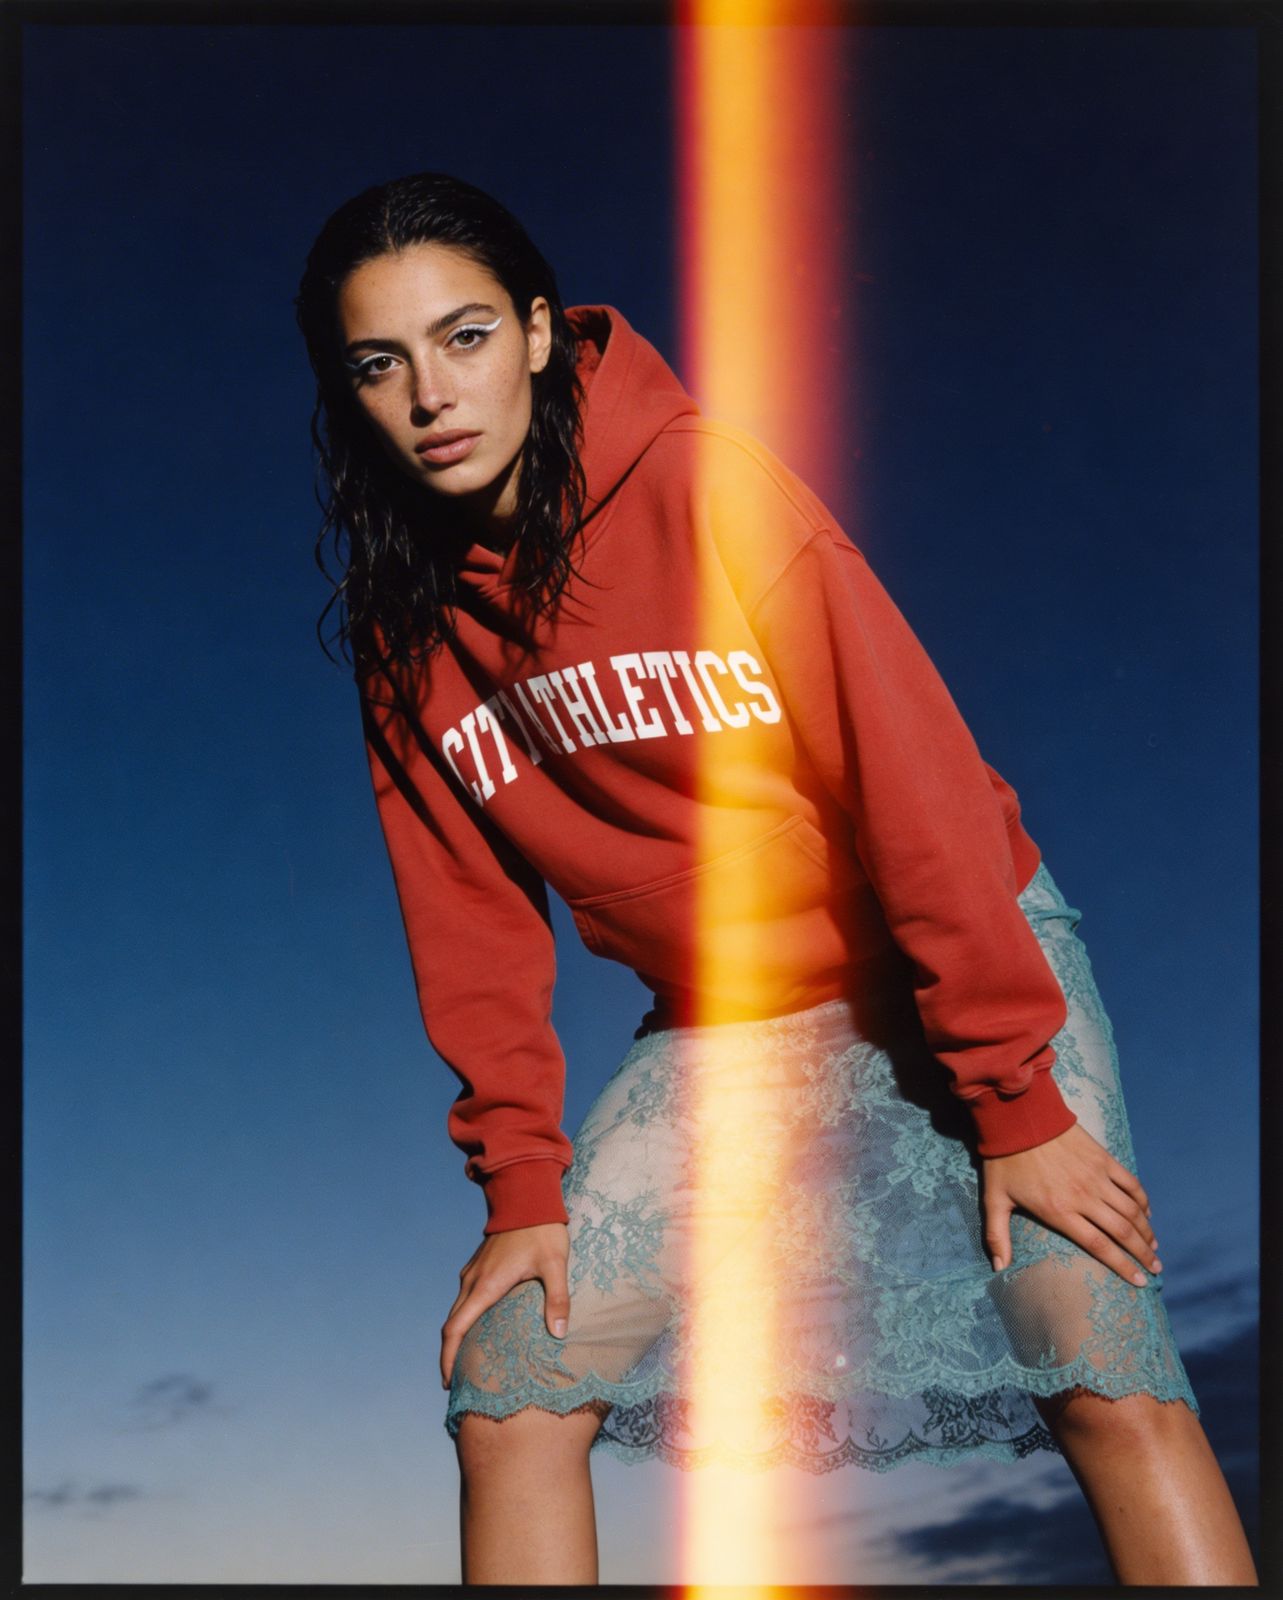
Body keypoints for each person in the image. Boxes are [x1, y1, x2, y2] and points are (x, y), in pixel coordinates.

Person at [294, 170, 1257, 1587]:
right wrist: (521, 1190)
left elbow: (910, 779)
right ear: (349, 393)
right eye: (381, 364)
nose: (432, 392)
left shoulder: (700, 484)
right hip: (724, 1021)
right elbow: (470, 923)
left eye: (467, 337)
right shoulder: (401, 631)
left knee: (1097, 1362)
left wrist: (1013, 1092)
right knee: (512, 1385)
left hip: (954, 969)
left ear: (543, 333)